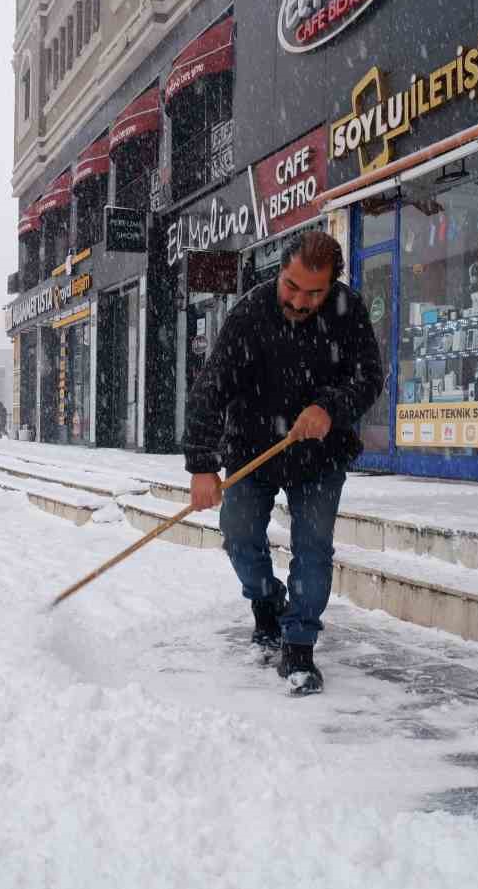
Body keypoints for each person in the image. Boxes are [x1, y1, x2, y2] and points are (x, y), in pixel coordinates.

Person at [184, 231, 382, 695]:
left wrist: (331, 407)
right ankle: (267, 601)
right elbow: (211, 388)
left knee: (313, 550)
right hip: (253, 450)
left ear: (332, 284)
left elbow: (369, 377)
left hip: (320, 456)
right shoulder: (251, 312)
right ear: (281, 272)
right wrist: (201, 465)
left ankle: (299, 643)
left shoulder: (348, 312)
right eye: (291, 286)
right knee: (238, 535)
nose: (298, 300)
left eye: (313, 292)